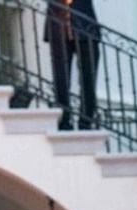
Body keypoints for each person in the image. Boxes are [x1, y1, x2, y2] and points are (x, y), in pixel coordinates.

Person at [45, 0, 101, 130]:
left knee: (88, 79)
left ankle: (86, 121)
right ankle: (64, 120)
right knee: (61, 79)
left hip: (86, 28)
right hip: (58, 26)